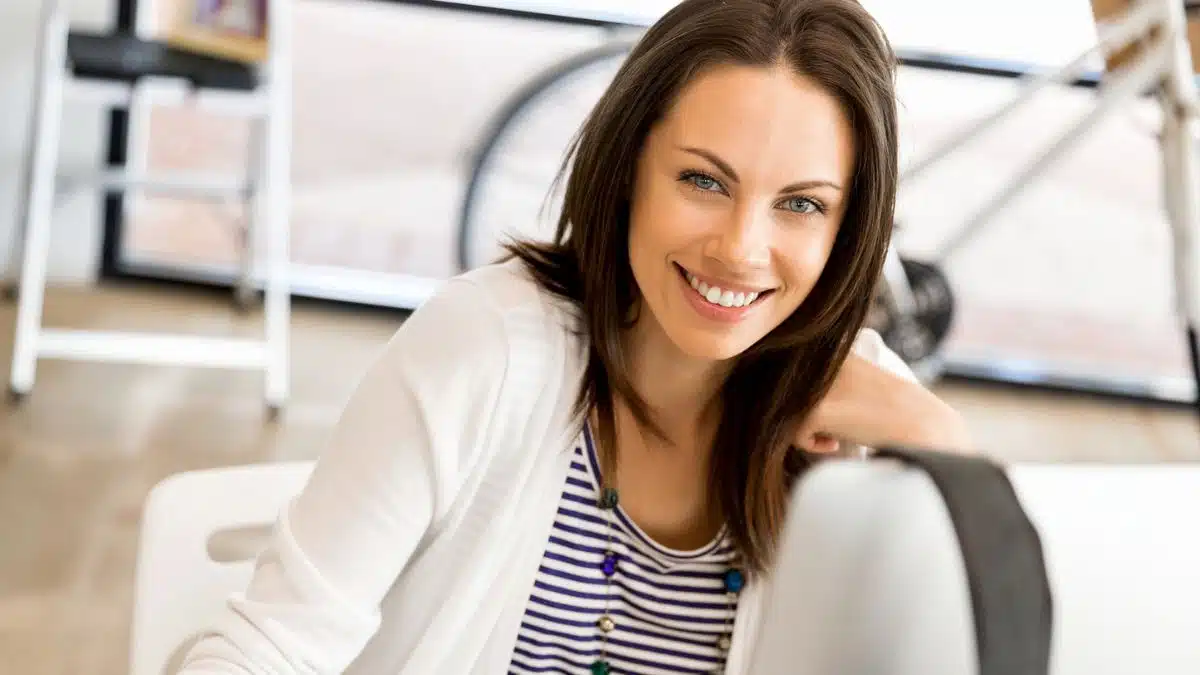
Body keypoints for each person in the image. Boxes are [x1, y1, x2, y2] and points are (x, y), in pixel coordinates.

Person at [177, 0, 973, 673]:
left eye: (800, 204)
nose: (739, 247)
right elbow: (272, 644)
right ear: (628, 169)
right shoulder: (487, 347)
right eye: (703, 180)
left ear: (849, 228)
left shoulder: (870, 425)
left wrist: (940, 440)